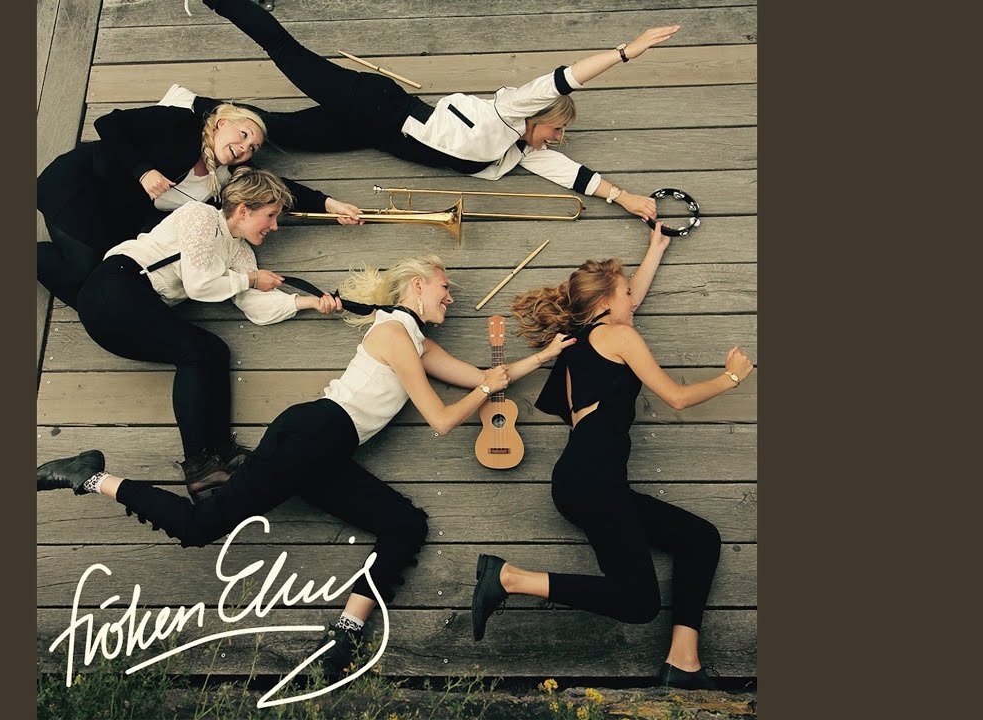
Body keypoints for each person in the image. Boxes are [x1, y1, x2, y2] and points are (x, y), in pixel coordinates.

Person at [37, 255, 575, 679]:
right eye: (444, 288)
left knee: (404, 524)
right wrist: (483, 389)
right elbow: (441, 418)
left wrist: (543, 355)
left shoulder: (417, 340)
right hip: (313, 433)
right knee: (199, 528)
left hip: (328, 447)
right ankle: (90, 474)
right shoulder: (392, 333)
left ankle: (345, 631)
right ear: (416, 286)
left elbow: (483, 377)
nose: (450, 298)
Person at [469, 222, 754, 690]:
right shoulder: (620, 338)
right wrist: (732, 378)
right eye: (626, 293)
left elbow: (625, 302)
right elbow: (676, 397)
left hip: (585, 479)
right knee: (638, 603)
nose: (633, 300)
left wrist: (656, 247)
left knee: (699, 539)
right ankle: (509, 579)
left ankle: (683, 662)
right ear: (606, 302)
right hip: (594, 480)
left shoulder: (577, 346)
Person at [195, 0, 675, 221]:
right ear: (538, 116)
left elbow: (574, 175)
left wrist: (626, 198)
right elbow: (564, 78)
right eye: (555, 130)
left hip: (372, 133)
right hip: (376, 104)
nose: (556, 139)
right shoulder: (510, 110)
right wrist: (625, 52)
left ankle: (192, 107)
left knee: (280, 132)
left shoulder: (518, 153)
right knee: (287, 53)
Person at [73, 167, 343, 494]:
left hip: (134, 310)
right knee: (198, 351)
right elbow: (198, 284)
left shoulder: (240, 251)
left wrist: (309, 303)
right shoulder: (200, 215)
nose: (274, 226)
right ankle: (199, 464)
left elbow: (255, 307)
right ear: (243, 210)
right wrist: (251, 279)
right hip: (116, 285)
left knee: (213, 351)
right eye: (270, 216)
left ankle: (222, 455)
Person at [37, 97, 363, 306]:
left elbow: (275, 190)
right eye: (244, 135)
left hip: (110, 219)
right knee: (84, 277)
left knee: (99, 285)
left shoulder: (225, 178)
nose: (245, 148)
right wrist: (143, 171)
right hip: (79, 185)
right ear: (222, 123)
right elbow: (109, 124)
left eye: (253, 147)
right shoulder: (181, 124)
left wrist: (330, 204)